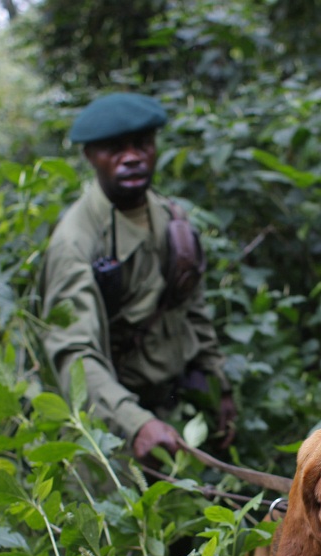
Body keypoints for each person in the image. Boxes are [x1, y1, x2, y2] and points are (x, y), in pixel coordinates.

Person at [40, 92, 236, 462]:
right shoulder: (75, 242)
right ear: (88, 156)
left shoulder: (170, 219)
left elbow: (192, 309)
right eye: (114, 149)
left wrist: (218, 389)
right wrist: (134, 423)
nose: (131, 157)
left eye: (142, 144)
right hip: (111, 418)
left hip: (172, 399)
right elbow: (72, 354)